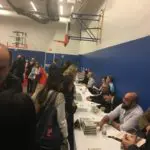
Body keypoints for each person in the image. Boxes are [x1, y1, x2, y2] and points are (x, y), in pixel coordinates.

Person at [33, 67, 69, 150]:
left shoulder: (41, 90)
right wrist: (65, 136)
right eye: (61, 82)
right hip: (50, 136)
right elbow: (62, 121)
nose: (62, 85)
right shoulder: (59, 96)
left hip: (37, 132)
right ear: (58, 83)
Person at [62, 75, 77, 150]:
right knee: (70, 136)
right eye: (72, 84)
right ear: (68, 85)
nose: (72, 86)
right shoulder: (67, 96)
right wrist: (75, 107)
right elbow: (72, 109)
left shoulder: (63, 93)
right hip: (67, 120)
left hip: (65, 119)